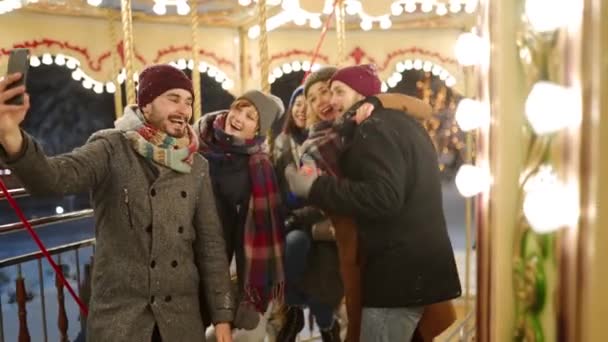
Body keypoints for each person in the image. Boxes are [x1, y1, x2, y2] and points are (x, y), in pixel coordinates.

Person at [0, 65, 234, 341]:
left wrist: (222, 317)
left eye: (188, 101)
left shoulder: (196, 165)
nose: (183, 110)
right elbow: (55, 178)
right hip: (123, 318)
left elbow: (211, 246)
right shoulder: (111, 147)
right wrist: (10, 135)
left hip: (180, 319)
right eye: (173, 98)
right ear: (146, 104)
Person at [285, 64, 462, 342]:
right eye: (317, 97)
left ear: (362, 93)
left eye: (336, 92)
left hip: (393, 264)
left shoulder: (371, 129)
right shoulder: (395, 124)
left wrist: (315, 187)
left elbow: (383, 196)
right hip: (413, 260)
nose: (329, 101)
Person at [194, 90, 285, 340]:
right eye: (239, 109)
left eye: (250, 117)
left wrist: (250, 294)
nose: (239, 118)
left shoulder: (256, 166)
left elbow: (252, 231)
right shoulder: (197, 138)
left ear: (257, 130)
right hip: (181, 243)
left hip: (215, 251)